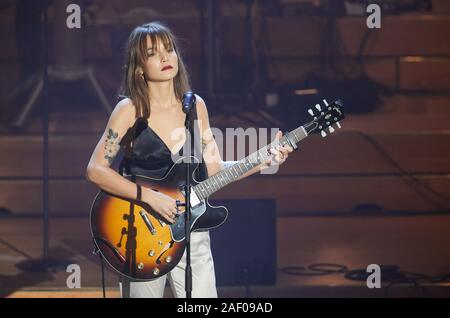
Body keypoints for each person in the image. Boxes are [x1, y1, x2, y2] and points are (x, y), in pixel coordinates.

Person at [86, 21, 293, 298]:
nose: (164, 57)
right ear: (138, 67)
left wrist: (263, 159)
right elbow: (96, 169)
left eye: (169, 49)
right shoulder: (129, 109)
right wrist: (149, 197)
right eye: (152, 53)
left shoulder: (195, 107)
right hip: (140, 231)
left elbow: (215, 171)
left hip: (192, 231)